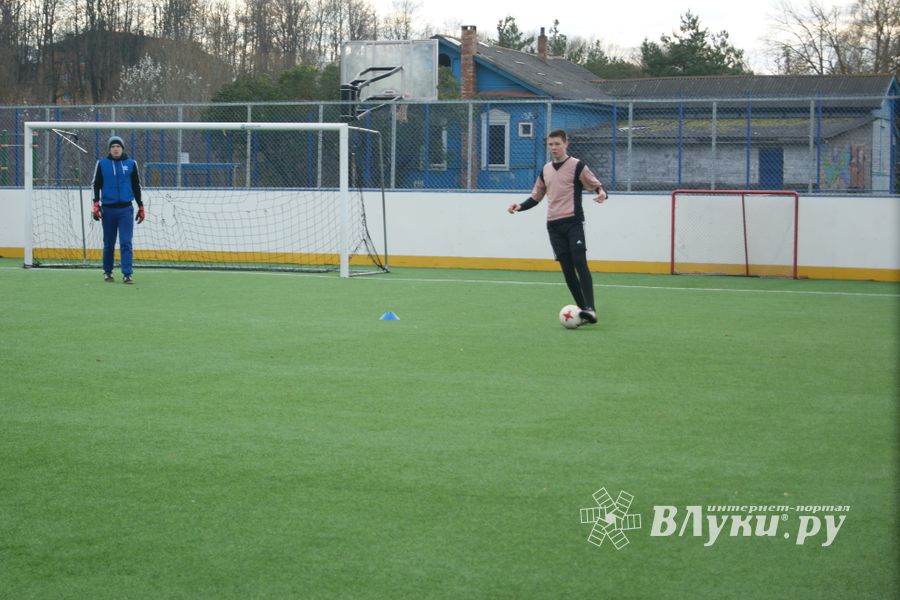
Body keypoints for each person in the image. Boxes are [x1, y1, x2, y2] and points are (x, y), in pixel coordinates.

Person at [508, 129, 607, 323]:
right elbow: (536, 196)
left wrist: (601, 192)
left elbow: (596, 185)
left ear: (566, 144)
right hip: (553, 226)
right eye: (550, 144)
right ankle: (583, 310)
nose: (553, 148)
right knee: (567, 269)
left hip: (573, 222)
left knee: (580, 262)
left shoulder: (577, 166)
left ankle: (591, 308)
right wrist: (519, 206)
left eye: (557, 144)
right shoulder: (545, 170)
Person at [91, 135, 145, 284]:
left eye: (118, 146)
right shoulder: (101, 164)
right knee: (108, 243)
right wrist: (95, 204)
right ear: (109, 149)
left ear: (122, 148)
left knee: (126, 242)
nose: (115, 149)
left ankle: (127, 274)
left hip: (126, 210)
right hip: (108, 210)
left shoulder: (131, 164)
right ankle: (107, 272)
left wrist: (141, 206)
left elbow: (136, 186)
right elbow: (95, 185)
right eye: (113, 147)